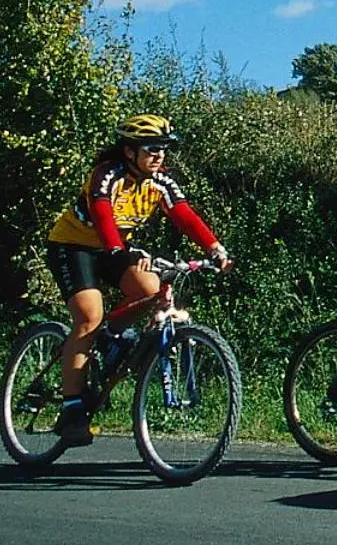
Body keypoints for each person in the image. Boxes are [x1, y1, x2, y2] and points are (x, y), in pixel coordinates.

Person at [44, 114, 232, 445]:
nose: (159, 155)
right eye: (152, 149)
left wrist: (215, 248)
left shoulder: (160, 182)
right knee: (89, 316)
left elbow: (184, 215)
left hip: (115, 248)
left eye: (163, 149)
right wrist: (121, 251)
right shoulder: (106, 174)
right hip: (73, 246)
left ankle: (110, 338)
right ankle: (72, 409)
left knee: (151, 289)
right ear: (130, 151)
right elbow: (103, 214)